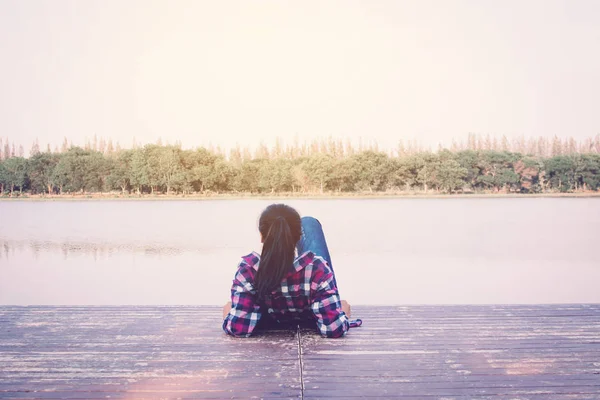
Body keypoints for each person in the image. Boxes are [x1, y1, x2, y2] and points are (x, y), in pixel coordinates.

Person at [222, 203, 361, 338]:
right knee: (309, 223)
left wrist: (228, 313)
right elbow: (334, 329)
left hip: (269, 321)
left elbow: (238, 329)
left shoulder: (248, 269)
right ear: (299, 237)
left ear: (262, 236)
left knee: (308, 224)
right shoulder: (317, 269)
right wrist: (342, 314)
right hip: (311, 315)